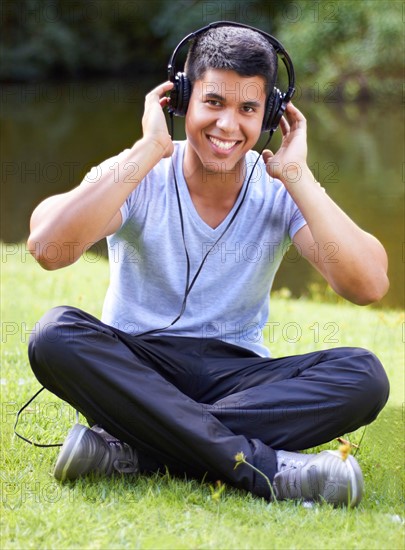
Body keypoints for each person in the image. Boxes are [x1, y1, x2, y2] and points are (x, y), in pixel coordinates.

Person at [26, 22, 390, 507]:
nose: (227, 125)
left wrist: (298, 175)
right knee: (55, 336)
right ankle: (269, 469)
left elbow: (367, 283)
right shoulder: (141, 172)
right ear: (181, 101)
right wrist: (150, 148)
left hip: (237, 373)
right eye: (214, 103)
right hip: (139, 362)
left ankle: (136, 447)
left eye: (248, 109)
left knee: (363, 376)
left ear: (270, 116)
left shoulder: (278, 189)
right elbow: (48, 247)